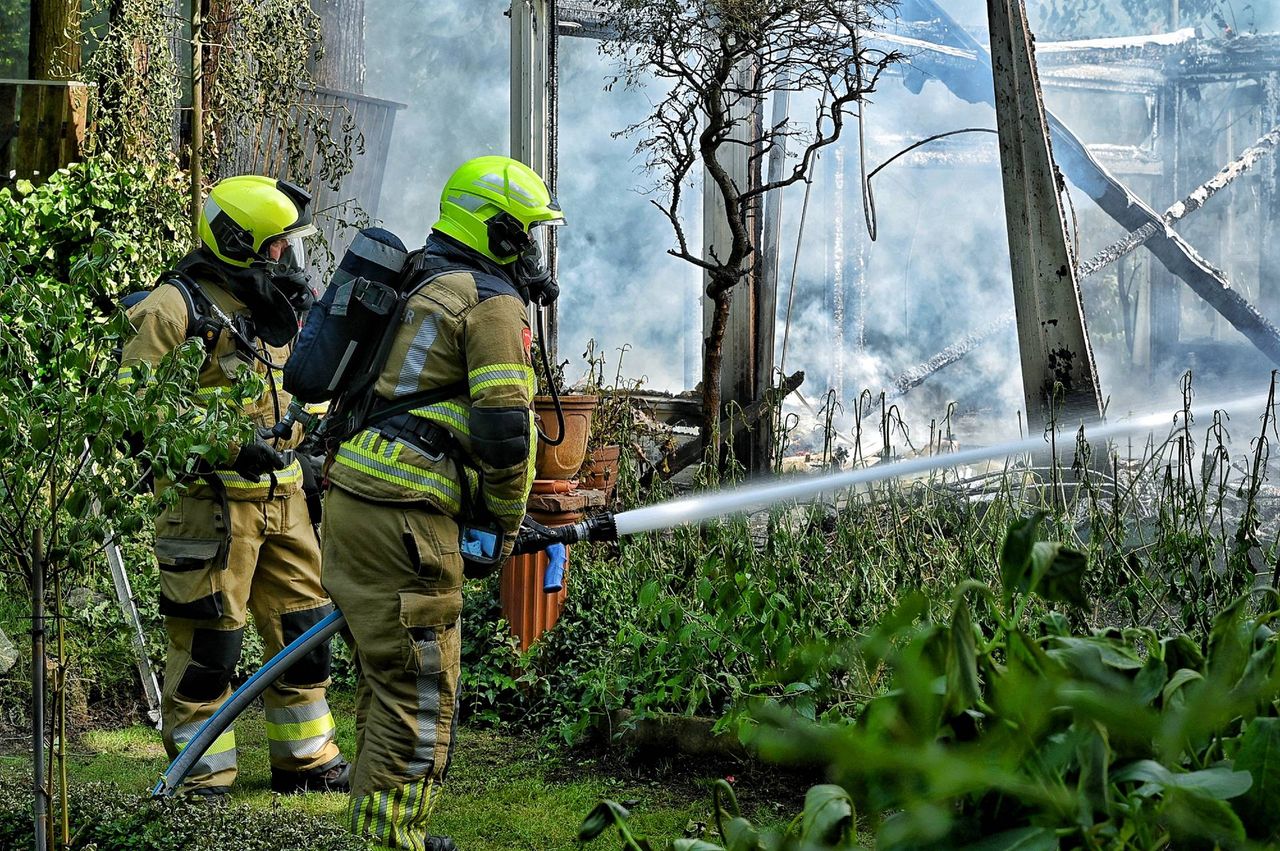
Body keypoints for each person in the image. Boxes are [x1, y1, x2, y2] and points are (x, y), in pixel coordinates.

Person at [321, 155, 563, 850]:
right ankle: (386, 841)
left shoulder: (421, 276)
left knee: (387, 677)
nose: (536, 253)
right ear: (503, 235)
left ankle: (385, 829)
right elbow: (506, 432)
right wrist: (503, 524)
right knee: (419, 695)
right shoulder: (491, 302)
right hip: (407, 518)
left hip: (354, 499)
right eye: (529, 234)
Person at [119, 175, 349, 798]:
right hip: (209, 507)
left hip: (286, 496)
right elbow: (133, 412)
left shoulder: (273, 307)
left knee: (304, 633)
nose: (286, 258)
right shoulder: (174, 308)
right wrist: (226, 444)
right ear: (238, 243)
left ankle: (306, 758)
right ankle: (204, 773)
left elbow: (296, 390)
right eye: (277, 245)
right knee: (207, 648)